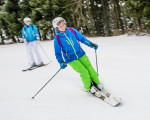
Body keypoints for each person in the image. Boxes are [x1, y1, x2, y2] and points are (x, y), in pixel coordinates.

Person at [52, 17, 104, 94]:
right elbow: (58, 53)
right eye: (60, 26)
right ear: (56, 28)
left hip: (81, 54)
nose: (63, 27)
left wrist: (91, 44)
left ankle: (97, 83)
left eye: (63, 24)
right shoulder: (57, 39)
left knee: (91, 70)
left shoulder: (72, 31)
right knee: (84, 72)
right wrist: (61, 61)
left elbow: (82, 39)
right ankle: (88, 87)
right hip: (71, 59)